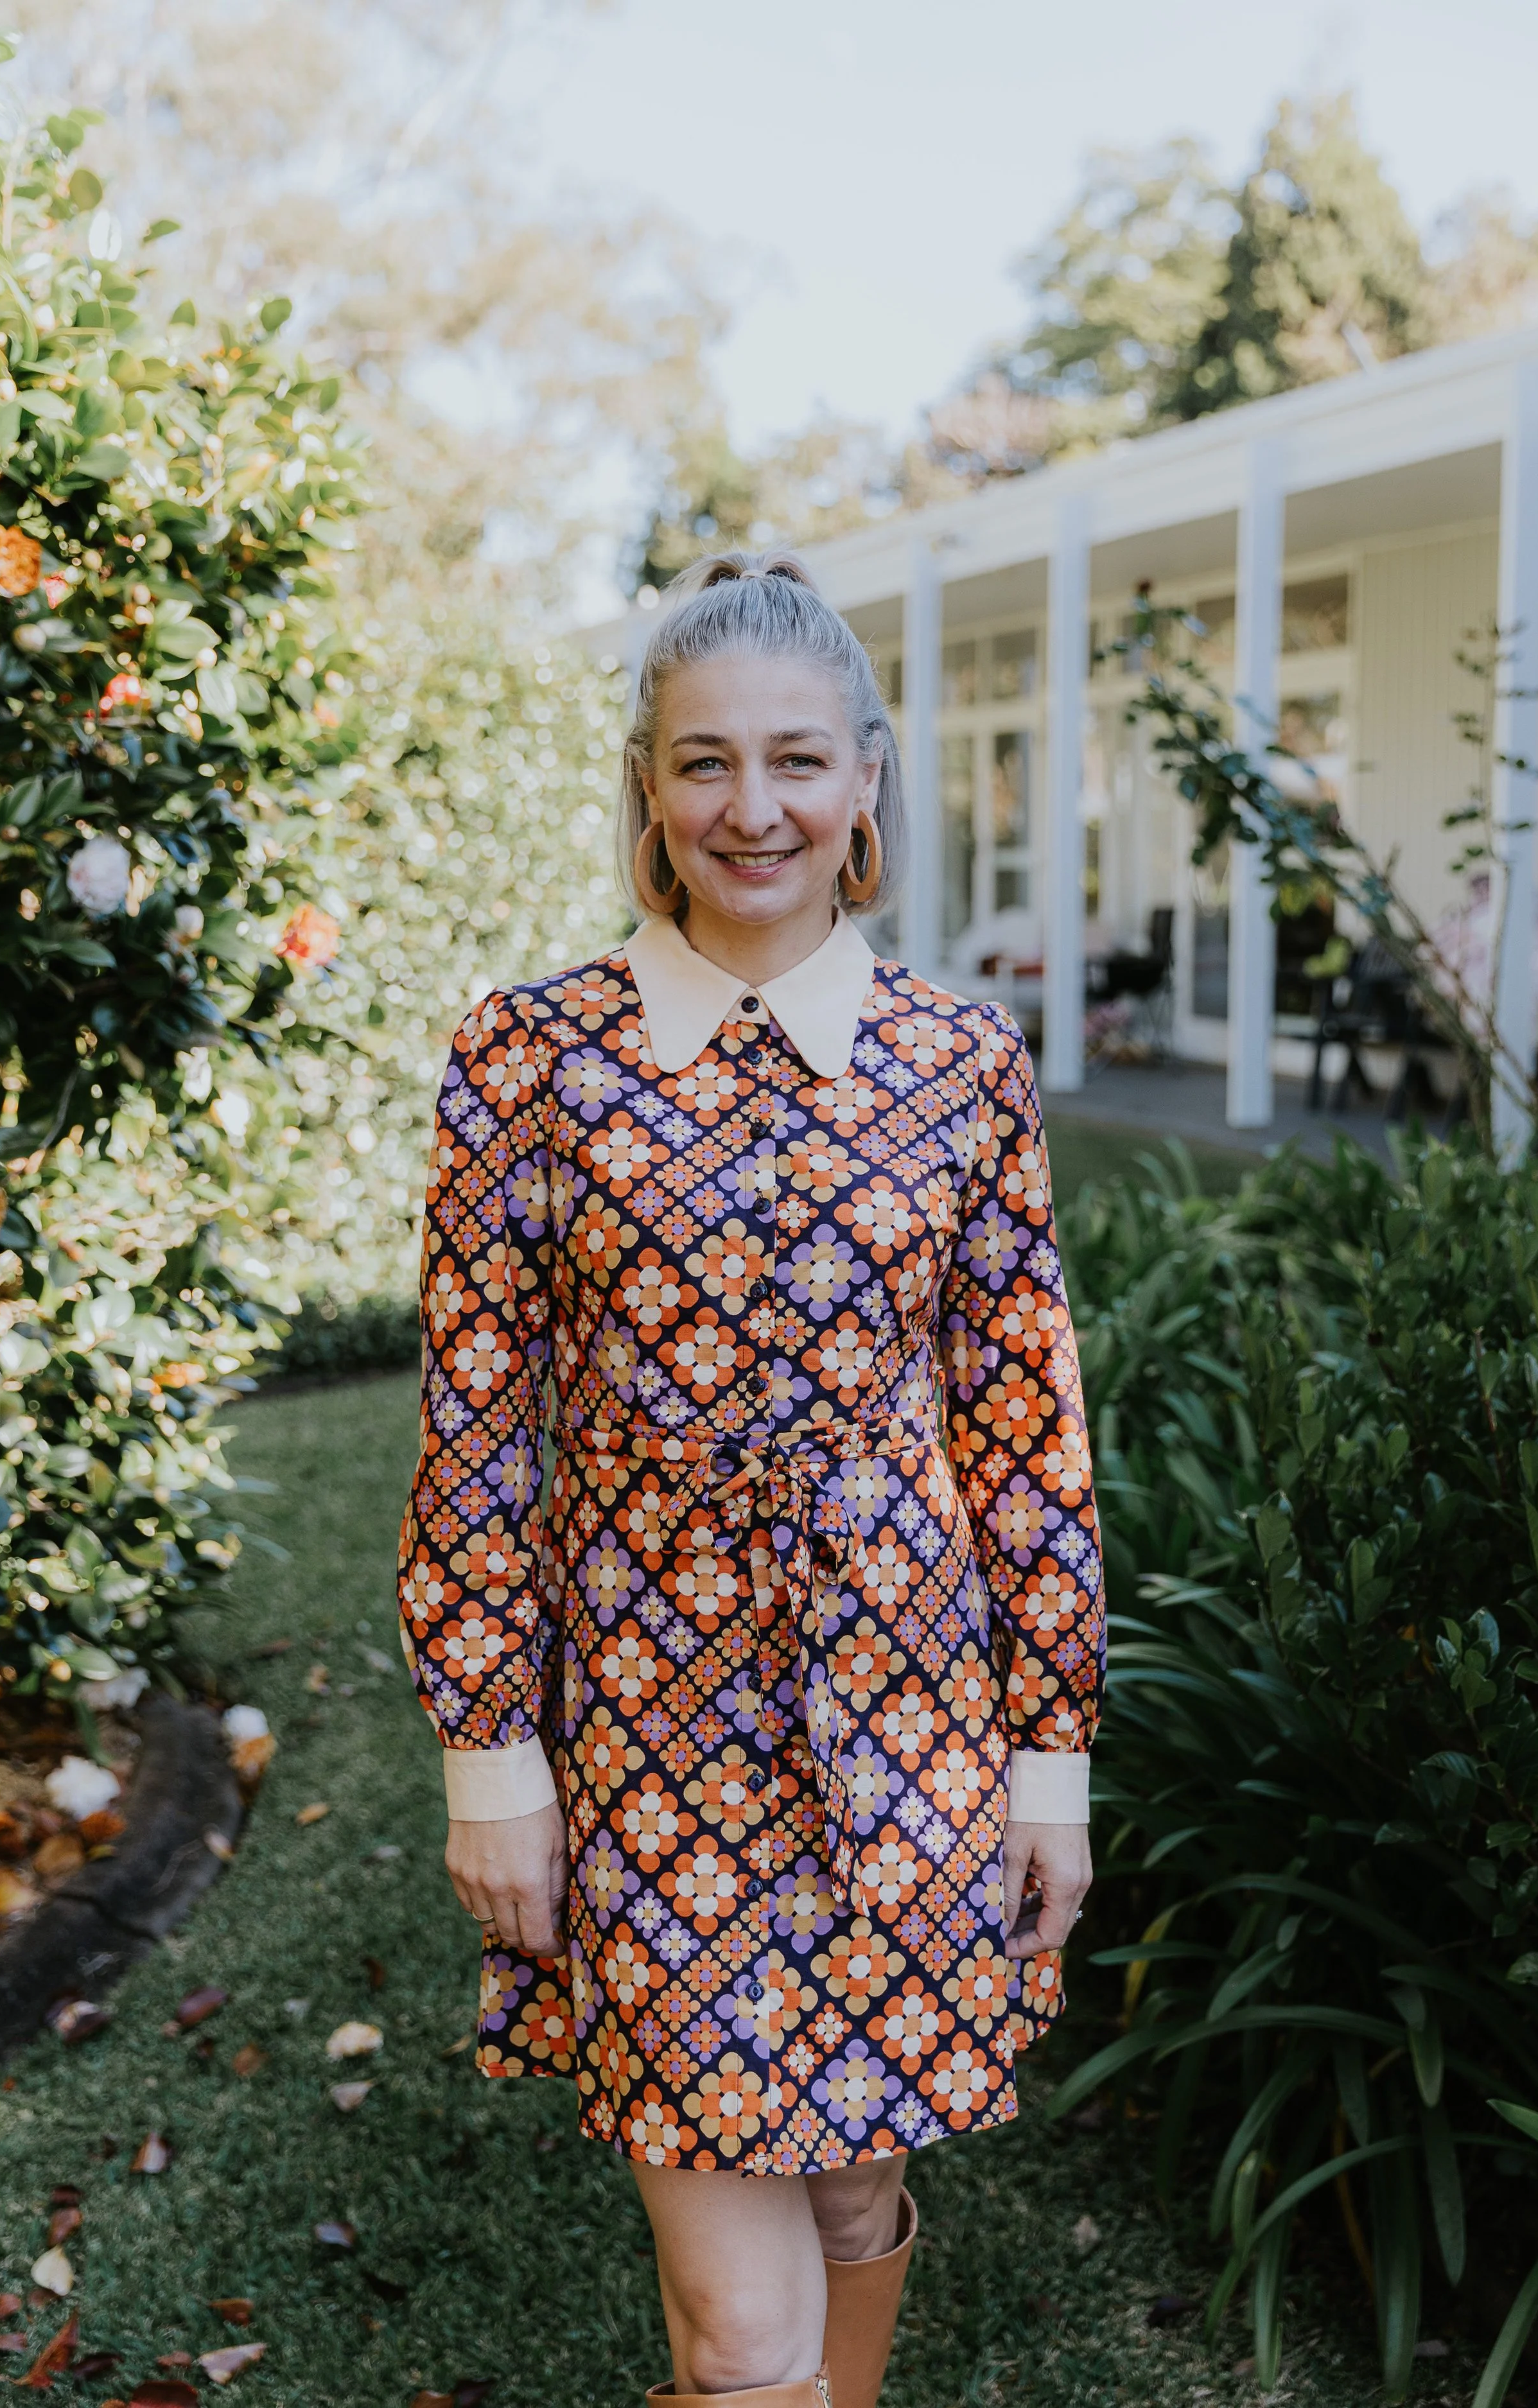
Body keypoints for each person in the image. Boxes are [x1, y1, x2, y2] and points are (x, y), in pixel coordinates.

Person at [397, 553, 1103, 2407]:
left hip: (910, 1732)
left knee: (859, 2191)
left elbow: (1024, 1434)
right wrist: (493, 1769)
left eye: (795, 760)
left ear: (867, 779)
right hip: (644, 1739)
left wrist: (1049, 1767)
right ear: (648, 784)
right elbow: (478, 1427)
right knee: (740, 2328)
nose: (751, 807)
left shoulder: (961, 1062)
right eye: (703, 761)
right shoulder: (528, 1058)